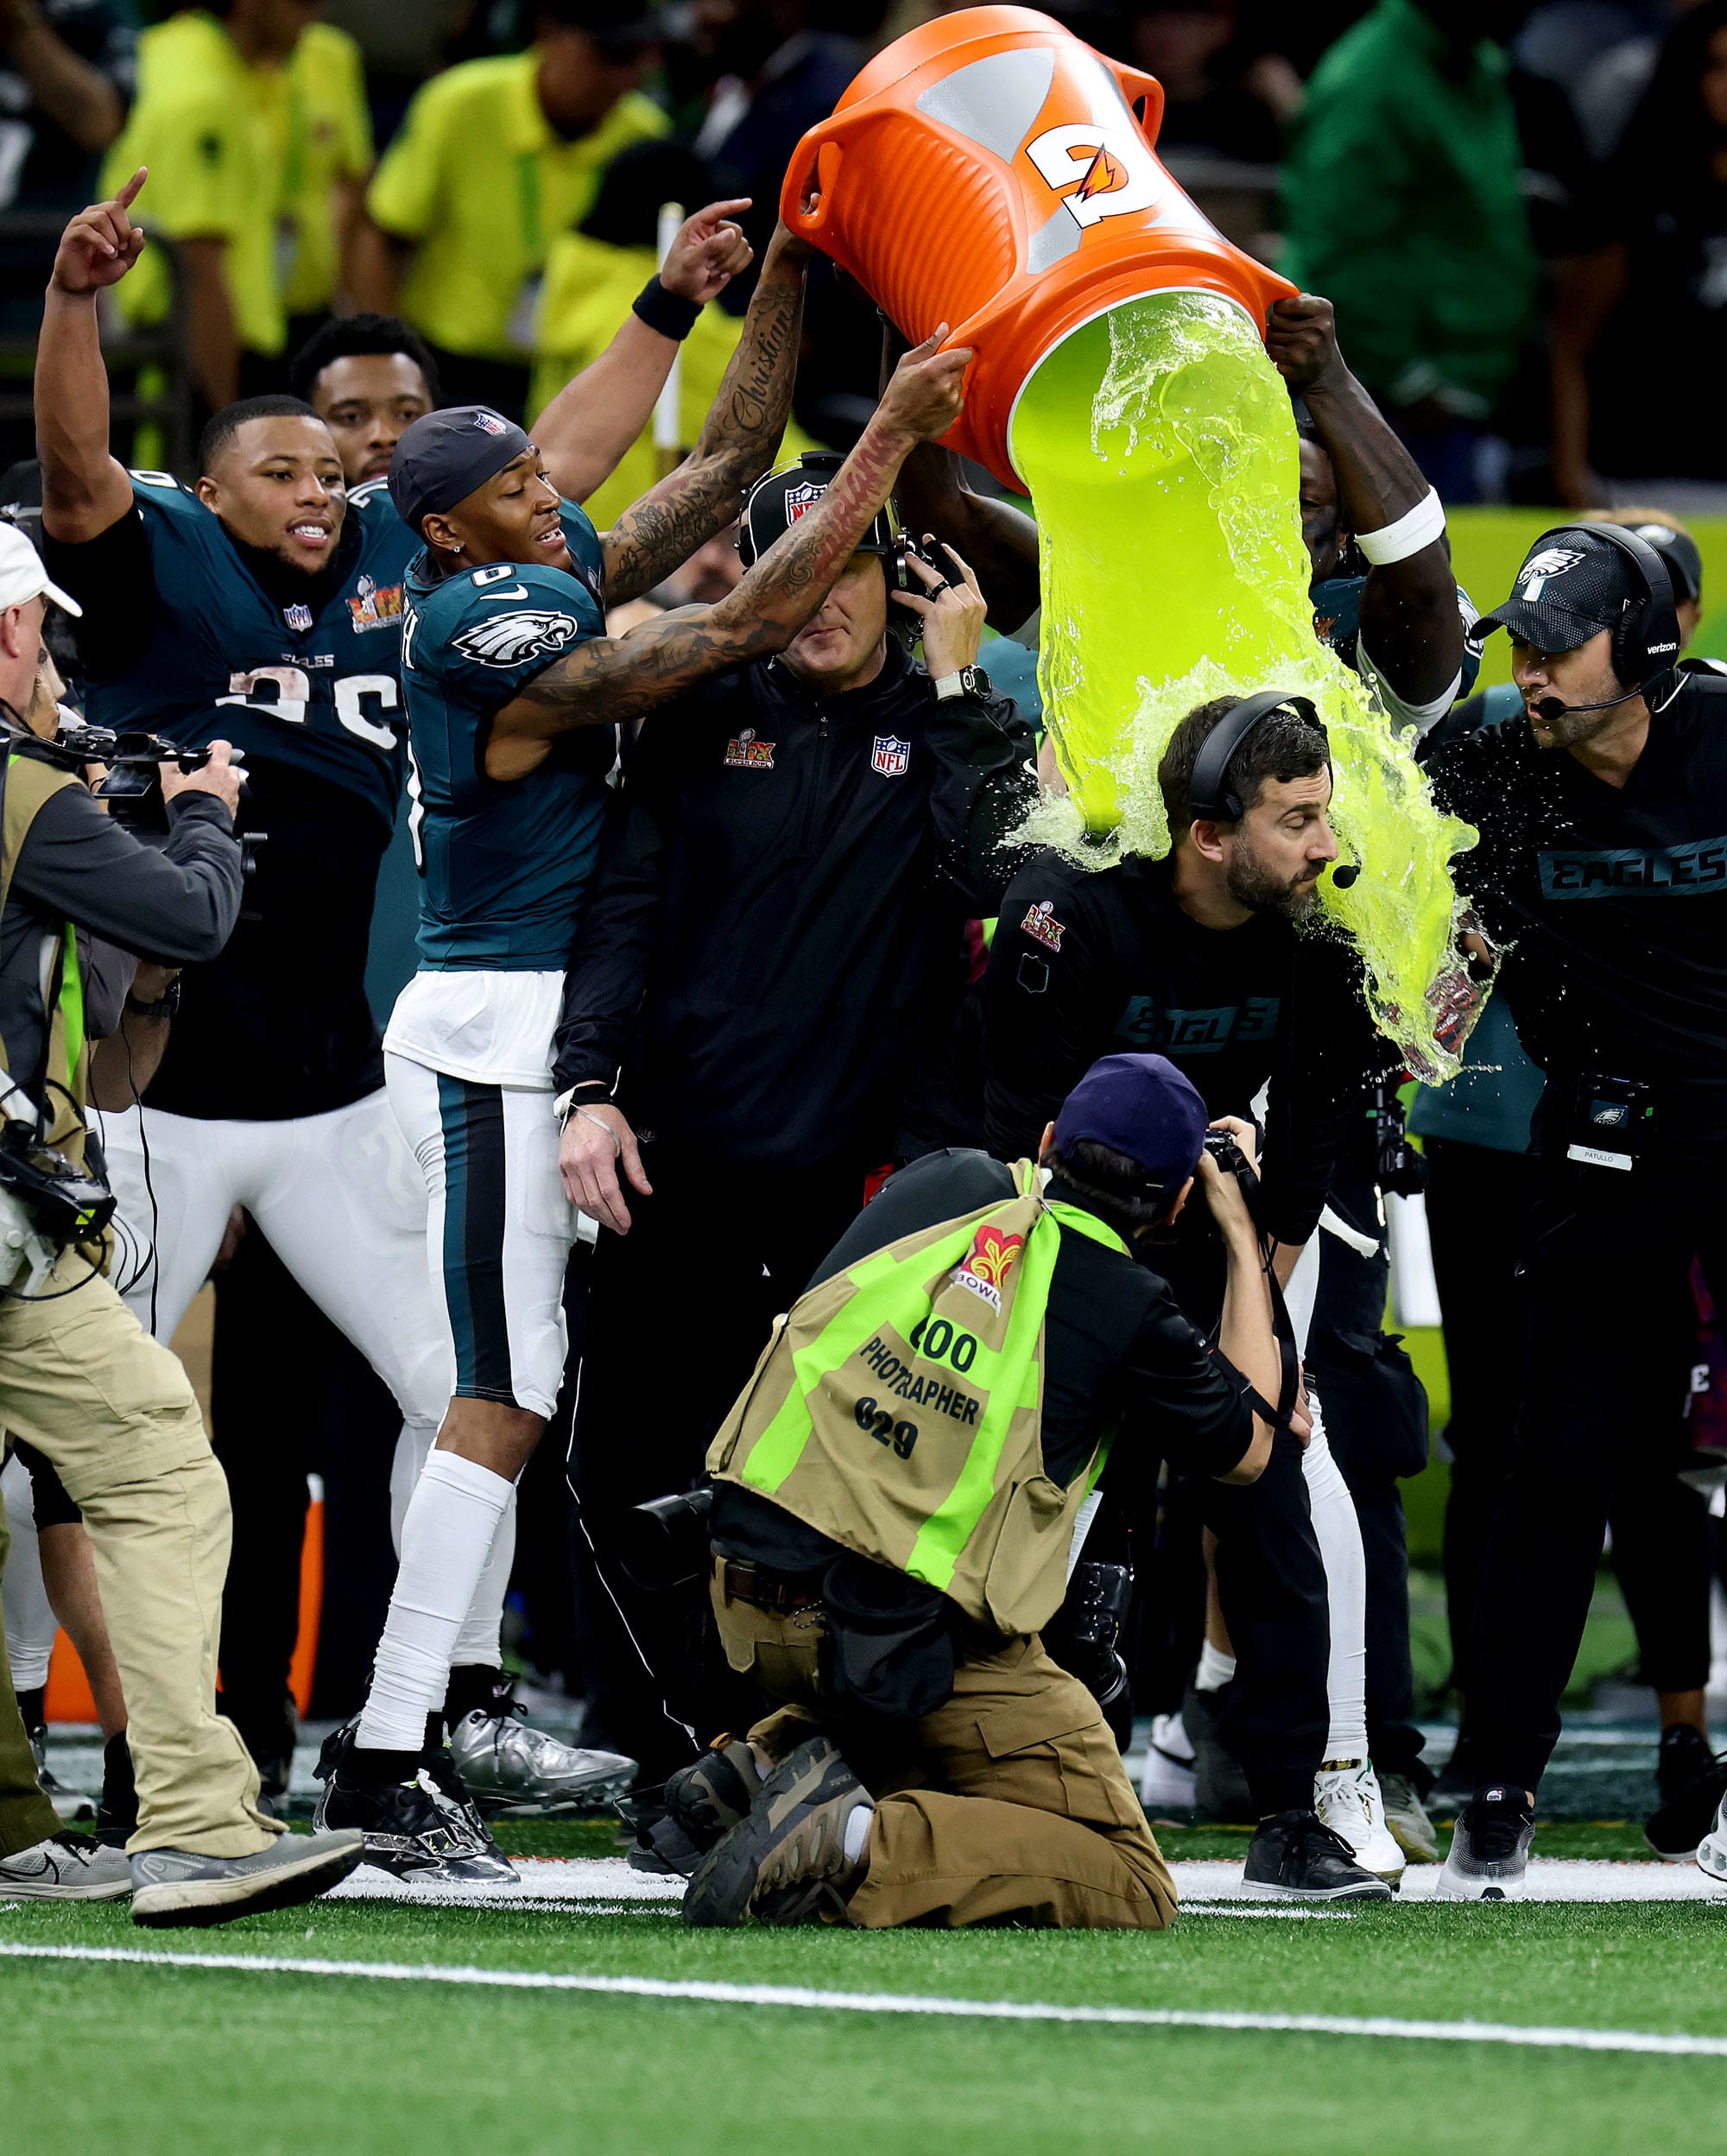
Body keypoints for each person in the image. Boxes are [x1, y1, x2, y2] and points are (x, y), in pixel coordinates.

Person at [34, 170, 750, 1824]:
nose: (319, 479)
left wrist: (664, 307)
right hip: (159, 1080)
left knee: (464, 1396)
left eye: (331, 464)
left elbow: (555, 470)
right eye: (277, 465)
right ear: (203, 490)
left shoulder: (401, 566)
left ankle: (422, 1725)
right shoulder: (155, 568)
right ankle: (91, 1752)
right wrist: (77, 299)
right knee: (77, 1438)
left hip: (337, 1081)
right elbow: (76, 468)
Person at [313, 242, 970, 1873]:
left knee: (503, 1395)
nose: (554, 498)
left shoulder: (523, 564)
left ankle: (421, 1722)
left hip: (542, 1034)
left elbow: (729, 461)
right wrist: (886, 432)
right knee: (501, 1396)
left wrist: (789, 275)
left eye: (546, 473)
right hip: (487, 1034)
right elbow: (750, 604)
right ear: (444, 533)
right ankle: (392, 1746)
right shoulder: (474, 634)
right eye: (520, 488)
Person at [552, 457, 1037, 1770]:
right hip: (681, 1156)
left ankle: (841, 1734)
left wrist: (956, 677)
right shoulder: (696, 709)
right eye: (794, 577)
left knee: (854, 1484)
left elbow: (997, 868)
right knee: (631, 1467)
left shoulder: (953, 714)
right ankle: (688, 1740)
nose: (822, 603)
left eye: (851, 570)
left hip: (864, 1186)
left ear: (902, 575)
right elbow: (624, 908)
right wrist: (587, 1088)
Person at [674, 1053, 1283, 1931]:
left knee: (915, 1655)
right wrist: (1241, 1237)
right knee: (1128, 1879)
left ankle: (766, 1762)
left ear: (1046, 1143)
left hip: (738, 1602)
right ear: (1177, 1202)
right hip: (897, 1644)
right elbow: (1251, 1445)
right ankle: (845, 1835)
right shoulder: (1126, 1304)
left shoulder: (941, 1181)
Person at [0, 520, 363, 1921]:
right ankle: (203, 1823)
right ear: (15, 631)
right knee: (158, 1464)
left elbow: (103, 1027)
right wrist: (202, 804)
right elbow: (192, 916)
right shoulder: (24, 793)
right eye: (46, 633)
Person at [984, 690, 1399, 1899]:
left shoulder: (1320, 929)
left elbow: (1317, 1131)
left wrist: (1255, 1307)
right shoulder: (1070, 914)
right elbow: (1018, 1136)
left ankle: (1299, 1802)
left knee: (1275, 1474)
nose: (1327, 844)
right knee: (1066, 1506)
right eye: (1296, 820)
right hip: (1062, 1240)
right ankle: (1042, 1776)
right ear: (1210, 833)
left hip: (1220, 1224)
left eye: (1325, 814)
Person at [1421, 522, 1727, 1897]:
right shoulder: (1493, 766)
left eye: (1556, 654)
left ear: (1646, 650)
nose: (1531, 679)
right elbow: (1426, 945)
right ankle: (1499, 1779)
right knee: (1553, 1464)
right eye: (1523, 653)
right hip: (1600, 1141)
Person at [354, 0, 670, 420]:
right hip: (447, 368)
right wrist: (384, 368)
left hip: (569, 380)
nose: (623, 79)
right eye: (608, 57)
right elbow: (383, 234)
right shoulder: (461, 103)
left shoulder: (643, 135)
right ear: (548, 32)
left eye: (636, 61)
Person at [1281, 0, 1539, 503]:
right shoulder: (1368, 80)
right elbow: (1338, 249)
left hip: (1472, 390)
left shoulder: (1478, 62)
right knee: (1411, 576)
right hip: (1398, 406)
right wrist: (1410, 382)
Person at [1547, 1, 1727, 504]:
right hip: (1644, 476)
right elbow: (1571, 344)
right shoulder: (1636, 194)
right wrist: (1571, 477)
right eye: (1716, 66)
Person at [98, 0, 313, 414]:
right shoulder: (203, 96)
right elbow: (198, 264)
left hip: (176, 350)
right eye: (303, 2)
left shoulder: (174, 53)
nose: (315, 14)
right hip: (194, 362)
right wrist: (229, 423)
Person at [0, 0, 134, 465]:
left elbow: (97, 121)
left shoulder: (93, 14)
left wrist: (19, 21)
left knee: (62, 485)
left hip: (51, 284)